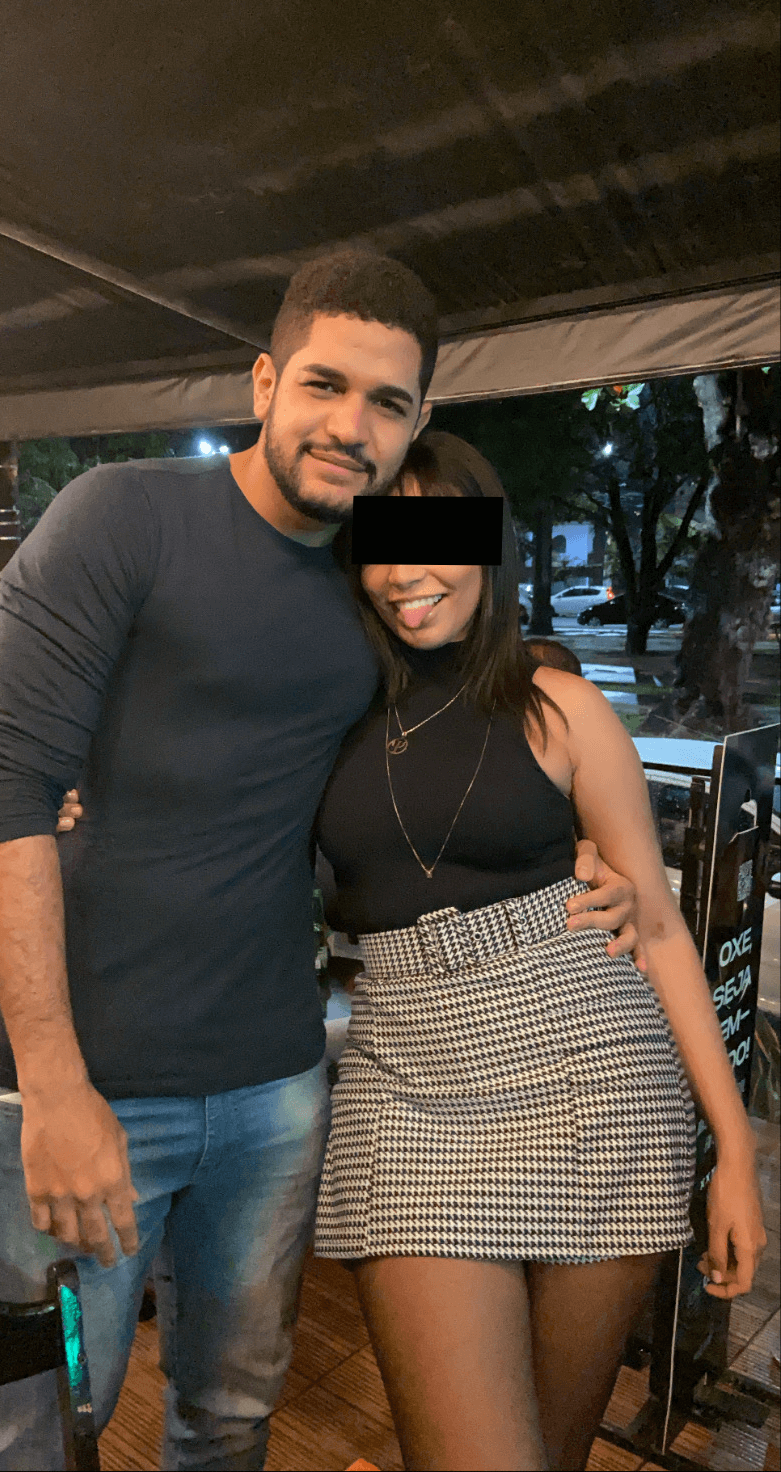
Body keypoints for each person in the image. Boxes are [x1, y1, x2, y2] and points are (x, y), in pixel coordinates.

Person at [0, 253, 638, 1472]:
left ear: (419, 420)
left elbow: (487, 690)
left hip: (273, 1086)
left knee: (229, 1419)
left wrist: (588, 841)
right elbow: (3, 783)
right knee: (35, 1436)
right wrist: (53, 1086)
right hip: (77, 1080)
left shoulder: (374, 576)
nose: (350, 425)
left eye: (388, 401)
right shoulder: (120, 512)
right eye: (325, 383)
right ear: (265, 380)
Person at [312, 432, 766, 1471]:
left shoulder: (558, 704)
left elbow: (657, 928)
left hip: (594, 1078)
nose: (407, 571)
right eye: (383, 544)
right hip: (407, 1082)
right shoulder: (328, 711)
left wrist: (734, 1150)